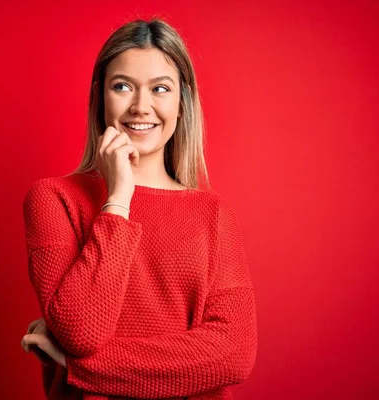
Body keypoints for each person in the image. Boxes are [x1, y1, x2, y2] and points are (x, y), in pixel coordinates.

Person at [20, 18, 257, 400]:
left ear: (182, 104)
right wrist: (118, 199)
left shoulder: (212, 213)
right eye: (122, 86)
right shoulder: (53, 199)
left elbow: (234, 354)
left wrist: (84, 367)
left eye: (160, 89)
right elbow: (81, 330)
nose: (140, 107)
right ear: (101, 98)